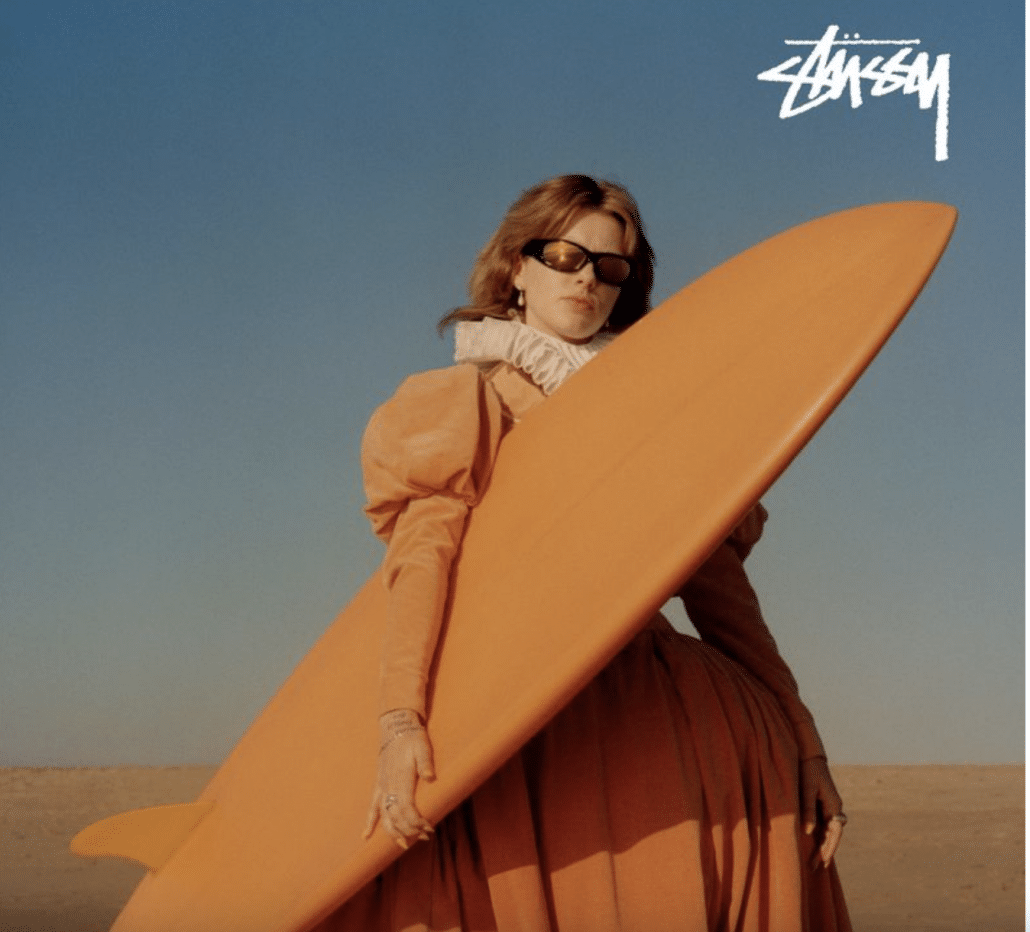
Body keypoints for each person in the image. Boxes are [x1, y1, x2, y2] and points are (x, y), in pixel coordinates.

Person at [316, 175, 851, 931]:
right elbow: (420, 567)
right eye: (566, 256)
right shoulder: (464, 401)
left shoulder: (655, 422)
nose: (587, 280)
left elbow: (721, 595)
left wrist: (805, 743)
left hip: (675, 731)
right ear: (516, 266)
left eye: (610, 268)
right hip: (520, 732)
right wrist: (400, 724)